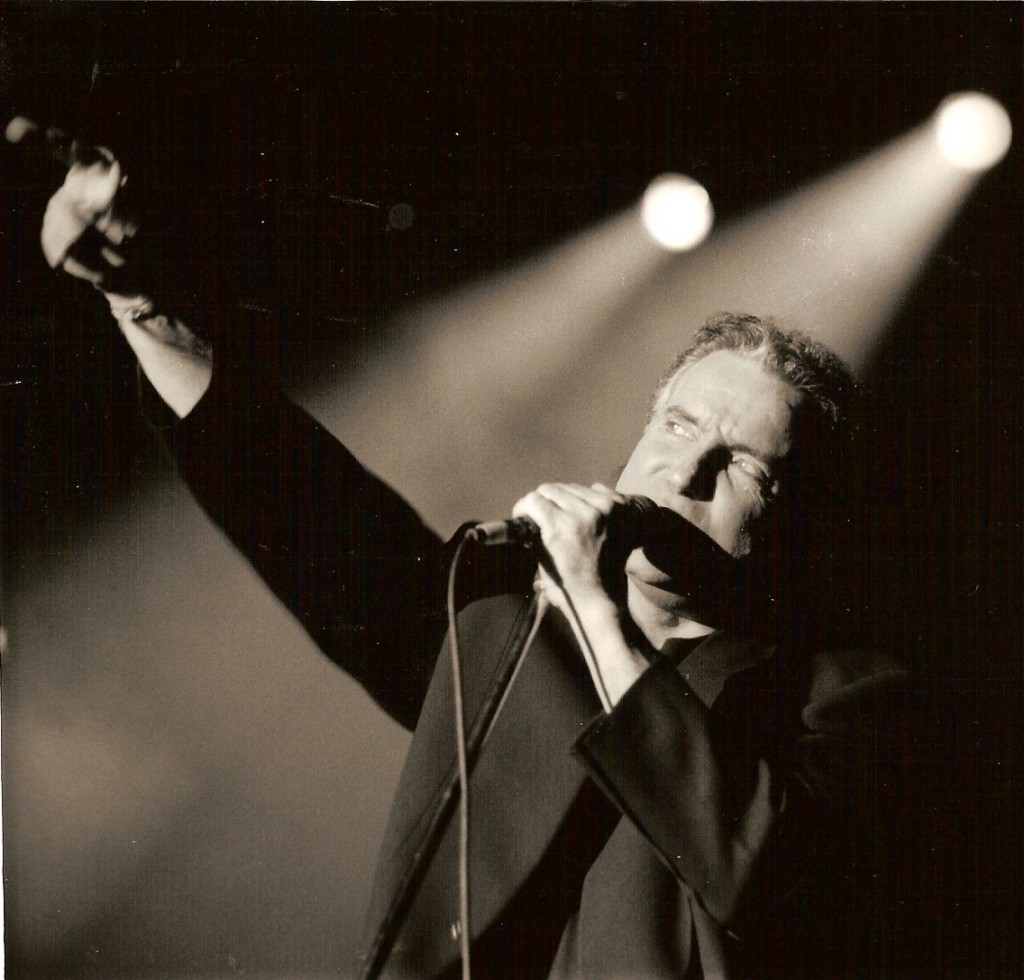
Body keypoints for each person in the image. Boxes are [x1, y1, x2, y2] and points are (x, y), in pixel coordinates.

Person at [33, 126, 907, 980]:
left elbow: (767, 876)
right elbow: (312, 517)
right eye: (676, 427)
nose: (685, 472)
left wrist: (595, 608)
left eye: (743, 466)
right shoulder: (509, 626)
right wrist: (142, 304)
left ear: (798, 517)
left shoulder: (841, 697)